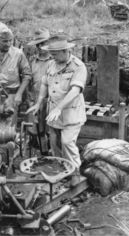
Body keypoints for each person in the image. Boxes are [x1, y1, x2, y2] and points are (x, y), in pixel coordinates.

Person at [26, 36, 87, 168]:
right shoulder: (51, 64)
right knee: (54, 143)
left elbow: (75, 90)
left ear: (65, 51)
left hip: (71, 114)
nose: (52, 56)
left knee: (67, 142)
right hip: (53, 114)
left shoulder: (78, 66)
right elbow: (44, 83)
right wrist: (38, 103)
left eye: (55, 54)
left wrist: (59, 108)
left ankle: (75, 171)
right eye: (51, 53)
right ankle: (60, 169)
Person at [0, 22, 32, 126]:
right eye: (4, 41)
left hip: (11, 95)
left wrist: (19, 94)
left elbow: (27, 75)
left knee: (9, 127)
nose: (8, 44)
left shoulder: (18, 54)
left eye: (10, 41)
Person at [27, 28, 52, 155]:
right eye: (39, 44)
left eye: (44, 44)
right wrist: (30, 99)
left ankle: (49, 152)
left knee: (49, 129)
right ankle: (38, 152)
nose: (42, 47)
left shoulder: (54, 61)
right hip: (35, 99)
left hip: (50, 100)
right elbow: (28, 80)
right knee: (35, 128)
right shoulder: (32, 61)